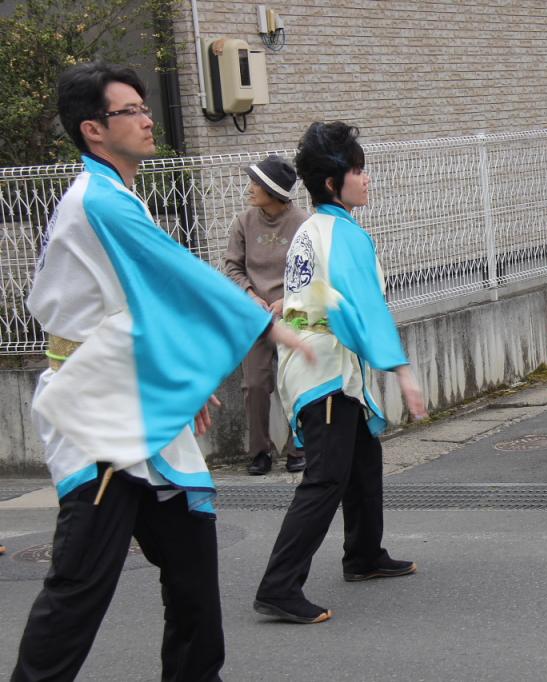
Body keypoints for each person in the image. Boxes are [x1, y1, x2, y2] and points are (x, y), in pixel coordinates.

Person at [12, 62, 310, 682]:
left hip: (137, 401)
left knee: (193, 570)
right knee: (81, 583)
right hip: (100, 416)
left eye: (147, 107)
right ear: (94, 129)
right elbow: (177, 274)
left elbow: (141, 305)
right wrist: (265, 324)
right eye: (131, 111)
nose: (149, 119)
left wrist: (174, 383)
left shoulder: (115, 194)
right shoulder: (97, 200)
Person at [253, 121, 428, 625]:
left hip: (319, 358)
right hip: (322, 364)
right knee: (325, 478)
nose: (366, 178)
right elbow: (363, 305)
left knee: (362, 460)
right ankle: (278, 586)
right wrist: (401, 370)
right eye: (356, 170)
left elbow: (328, 297)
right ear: (333, 183)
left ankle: (364, 555)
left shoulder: (313, 227)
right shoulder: (340, 232)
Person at [224, 155, 310, 475]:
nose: (250, 189)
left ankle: (297, 446)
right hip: (255, 316)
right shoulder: (243, 221)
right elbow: (231, 265)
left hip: (294, 313)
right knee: (255, 384)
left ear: (274, 190)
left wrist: (287, 300)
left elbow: (312, 270)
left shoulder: (303, 223)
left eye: (256, 184)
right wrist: (248, 294)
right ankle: (260, 451)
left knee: (295, 382)